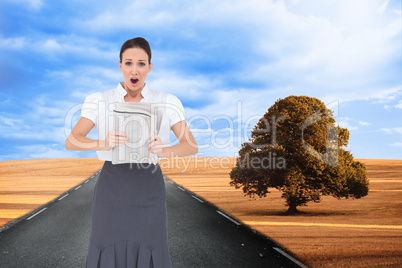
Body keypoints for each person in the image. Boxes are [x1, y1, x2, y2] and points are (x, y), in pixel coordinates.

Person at [65, 37, 198, 268]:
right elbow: (72, 141)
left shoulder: (167, 101)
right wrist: (102, 143)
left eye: (141, 63)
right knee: (106, 242)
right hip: (111, 187)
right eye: (128, 63)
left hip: (149, 187)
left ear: (150, 67)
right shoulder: (100, 100)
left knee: (149, 244)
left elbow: (191, 145)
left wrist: (163, 150)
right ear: (120, 66)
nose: (134, 70)